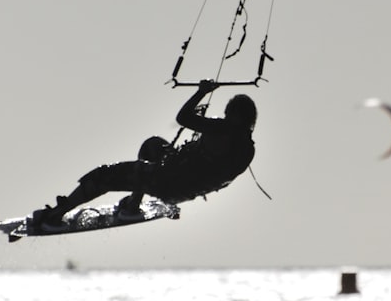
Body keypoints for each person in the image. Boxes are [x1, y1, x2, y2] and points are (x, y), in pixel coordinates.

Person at [32, 80, 256, 230]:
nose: (225, 118)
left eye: (228, 115)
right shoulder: (247, 149)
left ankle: (54, 217)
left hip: (168, 181)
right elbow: (213, 159)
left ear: (234, 116)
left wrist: (201, 92)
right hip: (186, 189)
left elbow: (183, 118)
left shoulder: (222, 129)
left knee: (105, 175)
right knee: (153, 144)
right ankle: (131, 206)